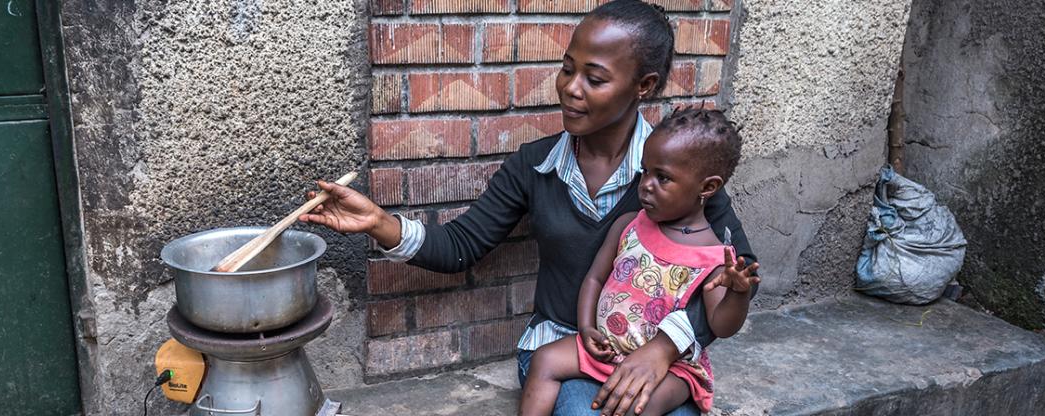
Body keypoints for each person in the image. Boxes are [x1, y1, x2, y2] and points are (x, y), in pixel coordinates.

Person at [301, 1, 758, 414]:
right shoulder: (534, 166)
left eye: (594, 79)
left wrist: (661, 349)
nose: (570, 89)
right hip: (562, 349)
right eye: (566, 69)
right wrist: (380, 223)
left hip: (657, 356)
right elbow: (460, 245)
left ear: (644, 85)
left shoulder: (680, 176)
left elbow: (738, 272)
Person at [519, 108, 760, 416]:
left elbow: (721, 326)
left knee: (638, 407)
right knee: (545, 359)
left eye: (663, 178)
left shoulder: (713, 258)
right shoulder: (630, 225)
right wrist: (586, 326)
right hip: (609, 348)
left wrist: (738, 294)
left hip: (671, 368)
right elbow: (594, 279)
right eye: (645, 171)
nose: (645, 185)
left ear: (707, 188)